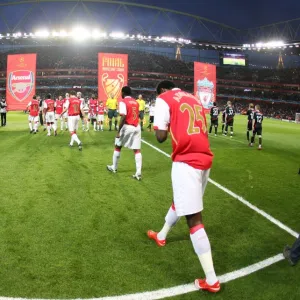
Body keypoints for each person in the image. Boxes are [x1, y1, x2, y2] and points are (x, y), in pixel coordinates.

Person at [147, 81, 220, 293]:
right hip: (204, 158)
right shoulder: (194, 97)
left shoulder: (163, 99)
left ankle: (212, 279)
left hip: (186, 161)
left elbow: (160, 137)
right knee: (181, 201)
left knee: (194, 219)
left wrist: (160, 123)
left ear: (161, 90)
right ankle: (161, 235)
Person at [106, 86, 142, 181]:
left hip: (127, 126)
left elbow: (123, 116)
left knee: (117, 146)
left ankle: (114, 167)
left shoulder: (123, 102)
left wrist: (118, 130)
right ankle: (138, 172)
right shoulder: (136, 102)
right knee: (137, 150)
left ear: (123, 93)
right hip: (137, 127)